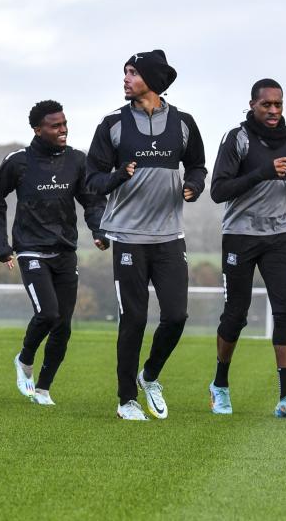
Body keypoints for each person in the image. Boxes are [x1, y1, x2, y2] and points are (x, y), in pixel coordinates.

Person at [86, 50, 206, 420]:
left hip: (170, 236)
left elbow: (198, 165)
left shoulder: (184, 123)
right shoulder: (112, 125)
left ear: (152, 80)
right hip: (128, 237)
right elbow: (92, 180)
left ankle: (149, 375)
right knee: (134, 319)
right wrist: (118, 175)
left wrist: (194, 186)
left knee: (176, 316)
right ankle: (126, 400)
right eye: (125, 72)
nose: (125, 79)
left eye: (133, 73)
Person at [0, 100, 108, 406]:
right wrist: (2, 246)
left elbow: (91, 201)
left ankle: (43, 388)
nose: (63, 130)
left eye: (65, 124)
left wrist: (98, 230)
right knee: (48, 313)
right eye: (55, 126)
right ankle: (24, 359)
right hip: (30, 251)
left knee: (63, 327)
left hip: (65, 251)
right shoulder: (18, 162)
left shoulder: (78, 161)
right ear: (38, 130)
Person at [208, 79, 286, 418]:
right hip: (240, 234)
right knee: (236, 314)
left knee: (285, 312)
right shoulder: (236, 138)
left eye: (279, 104)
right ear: (252, 104)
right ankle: (220, 385)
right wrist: (264, 172)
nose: (273, 111)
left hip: (279, 234)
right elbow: (219, 191)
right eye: (267, 104)